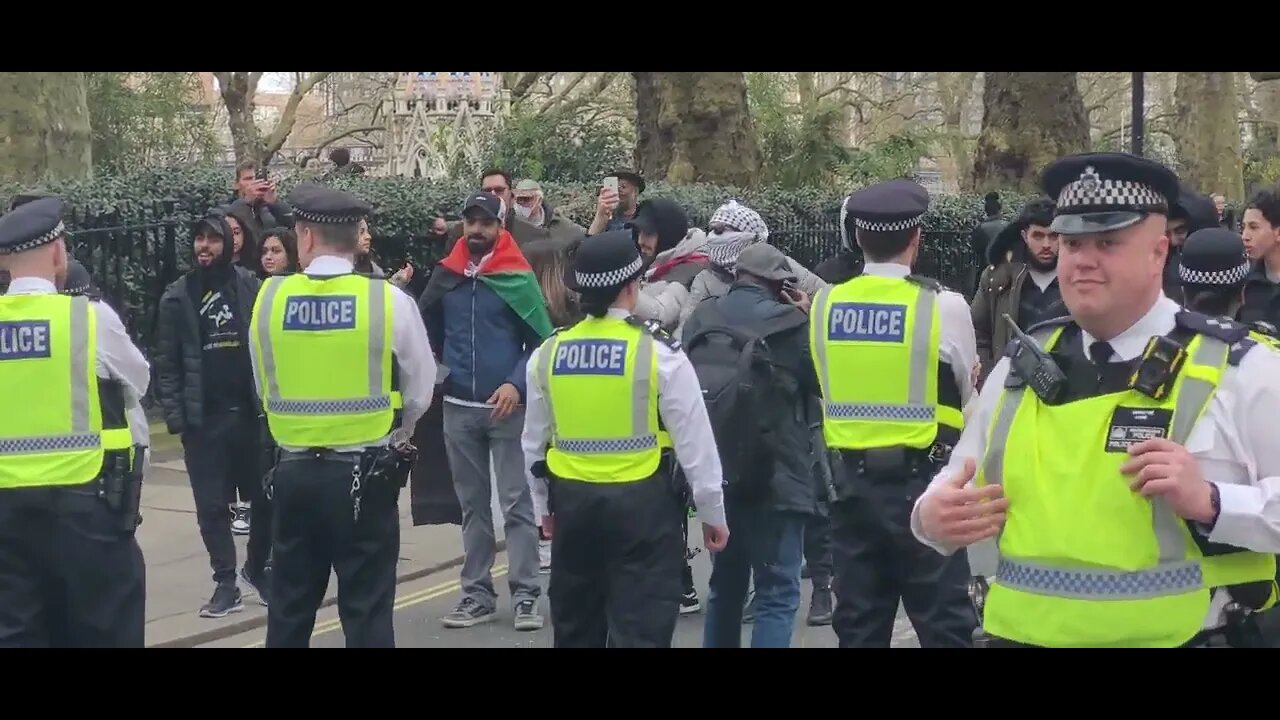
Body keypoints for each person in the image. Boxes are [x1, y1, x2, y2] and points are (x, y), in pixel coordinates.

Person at [912, 152, 1280, 648]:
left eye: (1108, 242)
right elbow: (957, 482)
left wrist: (1214, 503)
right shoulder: (1019, 369)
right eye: (1071, 243)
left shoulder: (1243, 368)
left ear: (1158, 251)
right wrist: (931, 519)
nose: (1084, 259)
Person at [248, 183, 437, 648]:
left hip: (290, 472)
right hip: (364, 476)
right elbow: (421, 388)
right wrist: (400, 430)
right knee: (367, 611)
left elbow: (262, 383)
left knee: (289, 610)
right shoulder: (388, 300)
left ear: (305, 237)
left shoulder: (269, 299)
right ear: (357, 237)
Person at [521, 229, 730, 647]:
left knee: (577, 629)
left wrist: (543, 509)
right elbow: (695, 443)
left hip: (575, 505)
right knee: (641, 631)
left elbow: (533, 443)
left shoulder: (549, 353)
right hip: (644, 508)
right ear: (632, 287)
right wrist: (713, 513)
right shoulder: (660, 353)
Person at [809, 178, 979, 648]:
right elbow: (971, 397)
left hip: (850, 487)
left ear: (858, 239)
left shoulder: (825, 305)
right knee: (946, 625)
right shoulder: (942, 304)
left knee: (859, 626)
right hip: (925, 485)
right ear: (916, 238)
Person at [0, 196, 150, 647]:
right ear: (58, 251)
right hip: (86, 506)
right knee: (104, 630)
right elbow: (138, 380)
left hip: (7, 514)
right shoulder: (88, 318)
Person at [417, 191, 551, 632]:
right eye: (470, 223)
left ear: (500, 227)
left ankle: (527, 595)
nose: (477, 231)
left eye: (485, 223)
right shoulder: (448, 275)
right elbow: (426, 330)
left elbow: (540, 342)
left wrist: (516, 382)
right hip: (458, 407)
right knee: (472, 507)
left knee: (516, 504)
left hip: (506, 409)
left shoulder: (517, 276)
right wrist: (439, 372)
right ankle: (477, 595)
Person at [682, 243, 822, 647]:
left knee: (725, 587)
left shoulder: (702, 318)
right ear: (779, 285)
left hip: (716, 474)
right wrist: (807, 314)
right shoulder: (790, 324)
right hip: (777, 475)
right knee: (778, 591)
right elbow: (820, 382)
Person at [154, 207, 263, 618]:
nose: (204, 246)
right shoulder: (177, 296)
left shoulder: (252, 287)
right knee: (211, 509)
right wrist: (178, 418)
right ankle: (225, 582)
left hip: (249, 417)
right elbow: (167, 364)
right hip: (205, 422)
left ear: (230, 244)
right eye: (199, 239)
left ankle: (257, 566)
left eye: (213, 238)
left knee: (265, 502)